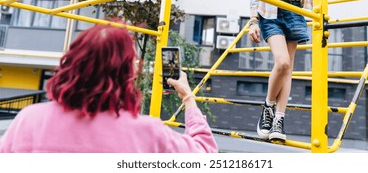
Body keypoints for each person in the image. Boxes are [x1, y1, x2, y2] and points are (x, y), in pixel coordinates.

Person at [0, 23, 218, 153]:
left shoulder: (28, 120)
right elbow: (205, 153)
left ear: (71, 63)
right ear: (126, 74)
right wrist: (188, 97)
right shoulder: (148, 132)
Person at [249, 0, 347, 142]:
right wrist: (253, 20)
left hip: (295, 12)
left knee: (288, 69)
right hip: (270, 13)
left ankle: (279, 121)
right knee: (282, 62)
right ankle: (268, 107)